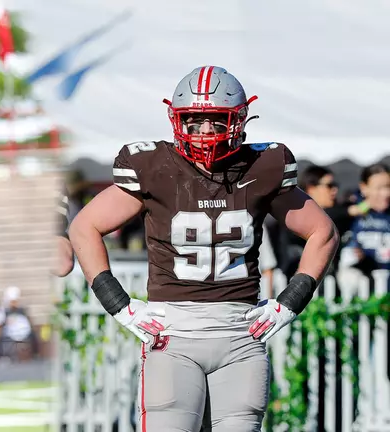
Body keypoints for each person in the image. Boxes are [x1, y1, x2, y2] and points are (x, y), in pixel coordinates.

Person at [68, 66, 338, 432]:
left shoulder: (262, 165)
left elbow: (323, 232)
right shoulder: (155, 166)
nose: (206, 132)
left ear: (240, 120)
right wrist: (119, 305)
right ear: (177, 121)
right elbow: (84, 227)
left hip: (240, 336)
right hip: (173, 335)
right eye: (195, 122)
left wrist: (290, 303)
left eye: (216, 121)